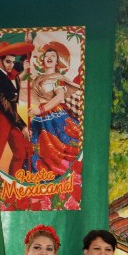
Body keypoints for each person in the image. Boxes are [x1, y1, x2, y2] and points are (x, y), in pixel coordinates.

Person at [26, 42, 81, 176]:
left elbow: (59, 97)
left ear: (57, 62)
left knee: (58, 148)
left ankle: (63, 175)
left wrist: (42, 109)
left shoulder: (57, 78)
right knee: (38, 149)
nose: (49, 57)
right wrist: (27, 45)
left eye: (53, 56)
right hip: (39, 118)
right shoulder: (37, 78)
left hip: (54, 115)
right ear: (42, 60)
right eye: (47, 55)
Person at [0, 41, 34, 175]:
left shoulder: (10, 69)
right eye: (8, 62)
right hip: (4, 116)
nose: (11, 65)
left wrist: (27, 43)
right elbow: (6, 107)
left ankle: (14, 182)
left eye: (13, 62)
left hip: (13, 116)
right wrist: (23, 126)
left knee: (20, 152)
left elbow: (22, 64)